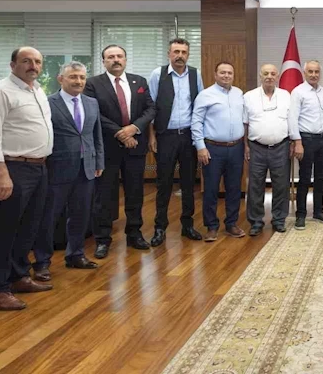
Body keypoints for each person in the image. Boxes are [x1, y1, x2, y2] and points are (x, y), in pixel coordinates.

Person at [0, 47, 54, 310]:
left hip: (39, 167)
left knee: (29, 227)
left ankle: (18, 277)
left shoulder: (37, 90)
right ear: (12, 64)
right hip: (12, 168)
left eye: (37, 61)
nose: (33, 66)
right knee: (3, 230)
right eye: (26, 61)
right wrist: (1, 173)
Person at [32, 62, 104, 281]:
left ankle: (75, 255)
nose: (78, 81)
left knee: (80, 215)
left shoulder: (91, 102)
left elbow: (96, 135)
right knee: (49, 218)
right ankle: (42, 262)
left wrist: (99, 161)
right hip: (57, 169)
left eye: (82, 77)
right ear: (60, 79)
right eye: (73, 77)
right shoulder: (47, 102)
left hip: (86, 168)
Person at [85, 45, 156, 258]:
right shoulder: (92, 84)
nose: (116, 60)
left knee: (135, 192)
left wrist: (134, 128)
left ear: (125, 59)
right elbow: (94, 113)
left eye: (119, 56)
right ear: (103, 61)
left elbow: (150, 109)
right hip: (107, 148)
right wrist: (120, 133)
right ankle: (102, 239)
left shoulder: (139, 81)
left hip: (136, 146)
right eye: (111, 57)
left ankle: (134, 233)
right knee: (105, 195)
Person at [148, 38, 204, 246]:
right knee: (164, 183)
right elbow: (151, 107)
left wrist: (199, 138)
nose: (180, 56)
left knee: (189, 183)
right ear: (169, 54)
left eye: (184, 52)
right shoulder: (158, 74)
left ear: (188, 55)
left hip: (188, 136)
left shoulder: (195, 74)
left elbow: (200, 106)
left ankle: (187, 225)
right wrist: (151, 136)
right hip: (166, 136)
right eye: (176, 52)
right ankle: (160, 227)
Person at [192, 61, 247, 242]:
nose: (226, 76)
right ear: (215, 75)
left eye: (229, 73)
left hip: (236, 147)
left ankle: (231, 223)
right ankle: (211, 226)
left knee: (234, 188)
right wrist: (200, 146)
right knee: (211, 189)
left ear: (233, 75)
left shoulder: (239, 94)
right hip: (212, 148)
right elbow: (196, 122)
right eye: (222, 72)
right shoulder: (205, 95)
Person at [244, 64, 294, 235]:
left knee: (281, 185)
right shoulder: (249, 96)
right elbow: (245, 123)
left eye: (273, 74)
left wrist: (293, 142)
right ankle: (256, 222)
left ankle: (279, 219)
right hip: (256, 147)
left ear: (278, 76)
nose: (269, 76)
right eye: (266, 73)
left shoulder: (286, 95)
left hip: (281, 146)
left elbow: (291, 120)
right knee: (255, 186)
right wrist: (245, 146)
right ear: (260, 75)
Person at [289, 60, 323, 230]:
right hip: (306, 140)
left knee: (320, 178)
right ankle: (301, 215)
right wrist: (297, 142)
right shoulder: (298, 92)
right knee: (305, 178)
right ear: (304, 73)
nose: (314, 75)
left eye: (317, 72)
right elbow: (293, 118)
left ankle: (318, 211)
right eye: (310, 71)